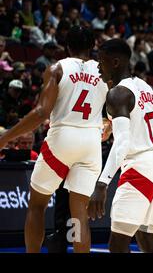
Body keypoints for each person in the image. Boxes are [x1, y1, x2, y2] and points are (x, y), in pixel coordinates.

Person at [0, 26, 108, 253]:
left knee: (37, 205)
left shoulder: (57, 68)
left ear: (66, 46)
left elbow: (41, 113)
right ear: (93, 46)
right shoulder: (105, 72)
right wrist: (109, 126)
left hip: (63, 138)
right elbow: (119, 111)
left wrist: (6, 137)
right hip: (91, 142)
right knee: (79, 216)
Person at [88, 38, 153, 253]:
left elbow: (122, 144)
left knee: (118, 245)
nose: (98, 67)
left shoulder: (117, 94)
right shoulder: (147, 88)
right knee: (148, 241)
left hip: (139, 168)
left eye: (101, 61)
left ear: (115, 62)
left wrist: (102, 184)